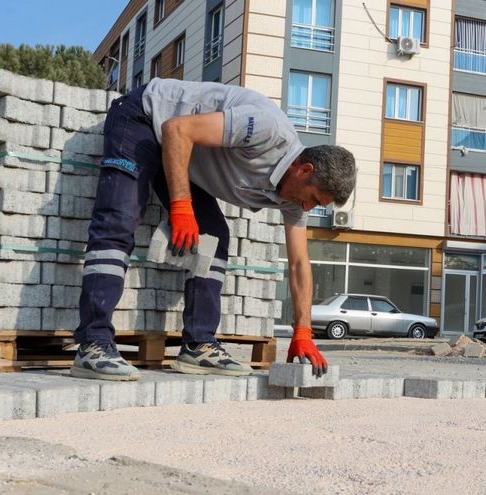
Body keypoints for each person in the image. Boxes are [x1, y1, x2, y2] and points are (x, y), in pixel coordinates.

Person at [71, 78, 356, 381]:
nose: (308, 208)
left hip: (182, 152)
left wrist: (302, 331)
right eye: (313, 199)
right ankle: (93, 344)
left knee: (214, 236)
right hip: (144, 117)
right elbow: (176, 129)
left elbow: (299, 264)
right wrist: (181, 207)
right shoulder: (266, 128)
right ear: (305, 169)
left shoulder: (293, 201)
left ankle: (198, 345)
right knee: (120, 218)